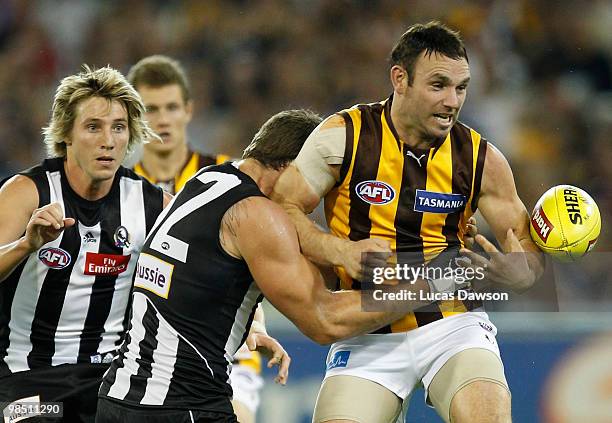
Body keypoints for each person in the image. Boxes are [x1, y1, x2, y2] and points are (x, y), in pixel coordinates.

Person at [272, 22, 544, 423]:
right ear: (400, 79)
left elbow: (525, 246)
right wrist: (339, 249)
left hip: (453, 323)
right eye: (438, 85)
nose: (452, 101)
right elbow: (283, 208)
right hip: (367, 328)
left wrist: (522, 274)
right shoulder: (344, 136)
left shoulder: (480, 158)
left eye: (461, 88)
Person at [96, 109, 435, 423]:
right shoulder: (258, 214)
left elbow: (198, 280)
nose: (314, 199)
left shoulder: (208, 179)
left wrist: (248, 327)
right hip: (181, 406)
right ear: (294, 166)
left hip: (118, 397)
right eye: (319, 181)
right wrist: (431, 284)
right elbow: (324, 319)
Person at [0, 65, 171, 422]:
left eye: (119, 128)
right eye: (93, 127)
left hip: (110, 383)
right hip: (27, 380)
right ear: (66, 135)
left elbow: (214, 254)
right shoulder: (26, 192)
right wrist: (25, 245)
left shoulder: (152, 204)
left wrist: (258, 326)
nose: (108, 140)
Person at [127, 54, 265, 423]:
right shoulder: (122, 189)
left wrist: (259, 324)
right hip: (144, 353)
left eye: (172, 107)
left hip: (225, 355)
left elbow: (255, 264)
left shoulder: (231, 174)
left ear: (188, 110)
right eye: (150, 108)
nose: (162, 119)